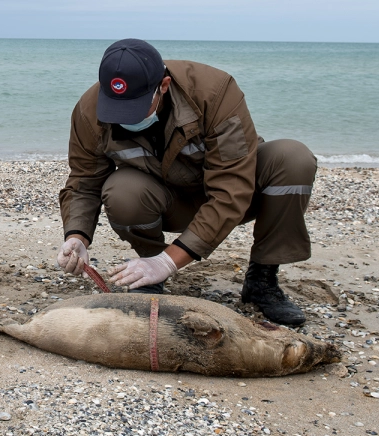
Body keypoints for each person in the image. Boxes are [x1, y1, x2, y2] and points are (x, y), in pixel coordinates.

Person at [56, 39, 317, 326]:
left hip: (235, 197)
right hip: (166, 202)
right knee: (121, 190)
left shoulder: (215, 92)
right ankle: (148, 275)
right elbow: (84, 181)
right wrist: (76, 236)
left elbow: (232, 190)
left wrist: (168, 263)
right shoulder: (88, 111)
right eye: (116, 107)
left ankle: (262, 279)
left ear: (163, 85)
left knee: (293, 160)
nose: (124, 118)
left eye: (134, 108)